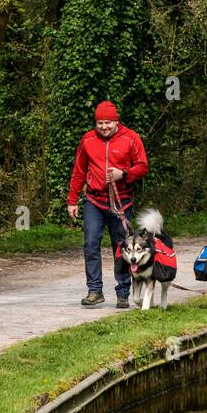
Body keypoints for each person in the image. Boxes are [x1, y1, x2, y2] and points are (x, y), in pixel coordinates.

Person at [66, 100, 150, 308]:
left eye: (108, 123)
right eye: (100, 123)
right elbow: (78, 171)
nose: (104, 127)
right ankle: (95, 290)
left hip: (121, 203)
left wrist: (124, 174)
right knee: (91, 244)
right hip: (93, 200)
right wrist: (72, 200)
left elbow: (143, 166)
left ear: (116, 121)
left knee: (121, 247)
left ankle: (122, 292)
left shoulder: (131, 138)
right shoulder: (87, 140)